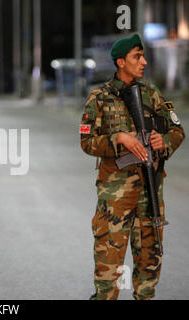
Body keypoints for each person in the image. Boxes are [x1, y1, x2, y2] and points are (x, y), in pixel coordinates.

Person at [80, 34, 185, 300]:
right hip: (115, 198)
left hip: (150, 192)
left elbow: (177, 130)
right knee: (108, 272)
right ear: (121, 62)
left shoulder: (152, 94)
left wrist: (165, 142)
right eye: (137, 56)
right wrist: (118, 139)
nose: (144, 62)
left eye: (143, 56)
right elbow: (86, 141)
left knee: (149, 267)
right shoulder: (100, 97)